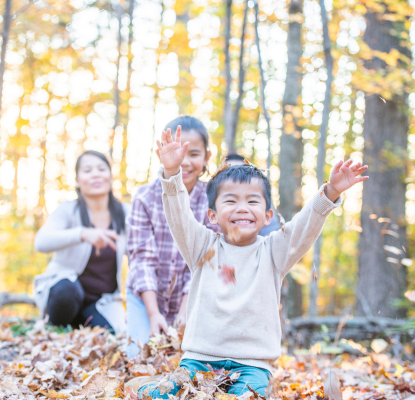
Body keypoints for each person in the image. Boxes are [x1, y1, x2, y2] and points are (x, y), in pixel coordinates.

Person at [133, 127, 367, 397]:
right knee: (159, 395)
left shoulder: (274, 252)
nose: (242, 208)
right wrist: (172, 173)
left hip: (252, 365)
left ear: (268, 216)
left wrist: (330, 192)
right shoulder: (201, 247)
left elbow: (304, 228)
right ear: (212, 214)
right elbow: (178, 216)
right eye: (230, 200)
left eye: (252, 201)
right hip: (198, 359)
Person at [125, 115, 220, 357]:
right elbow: (141, 258)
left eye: (194, 154)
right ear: (162, 153)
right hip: (146, 297)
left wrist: (185, 310)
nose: (185, 162)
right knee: (138, 356)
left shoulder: (214, 200)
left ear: (207, 157)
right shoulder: (145, 197)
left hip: (195, 298)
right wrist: (153, 313)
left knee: (192, 360)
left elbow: (207, 259)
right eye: (178, 152)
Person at [33, 150, 130, 334]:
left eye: (101, 169)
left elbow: (140, 256)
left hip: (101, 301)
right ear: (77, 181)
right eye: (87, 170)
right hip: (65, 293)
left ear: (110, 177)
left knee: (112, 335)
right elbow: (41, 242)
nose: (95, 174)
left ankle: (80, 324)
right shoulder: (68, 210)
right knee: (66, 292)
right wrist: (82, 234)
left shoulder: (125, 213)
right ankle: (55, 328)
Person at [224, 153, 281, 235]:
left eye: (241, 172)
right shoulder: (208, 200)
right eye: (228, 173)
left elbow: (271, 234)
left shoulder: (261, 203)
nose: (235, 177)